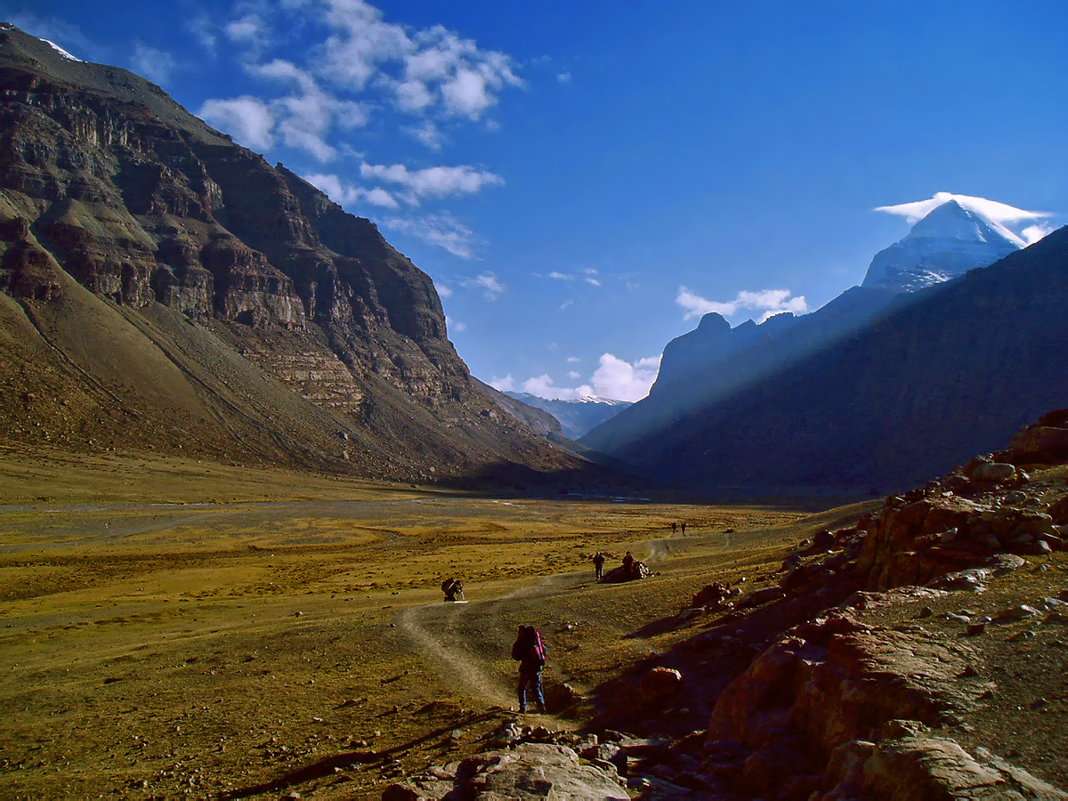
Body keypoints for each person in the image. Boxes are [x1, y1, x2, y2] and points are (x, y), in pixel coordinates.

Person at [511, 625, 547, 713]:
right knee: (536, 687)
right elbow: (545, 650)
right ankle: (541, 704)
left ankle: (523, 707)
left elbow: (515, 656)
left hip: (526, 668)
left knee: (522, 688)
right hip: (537, 667)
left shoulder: (521, 642)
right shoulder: (535, 640)